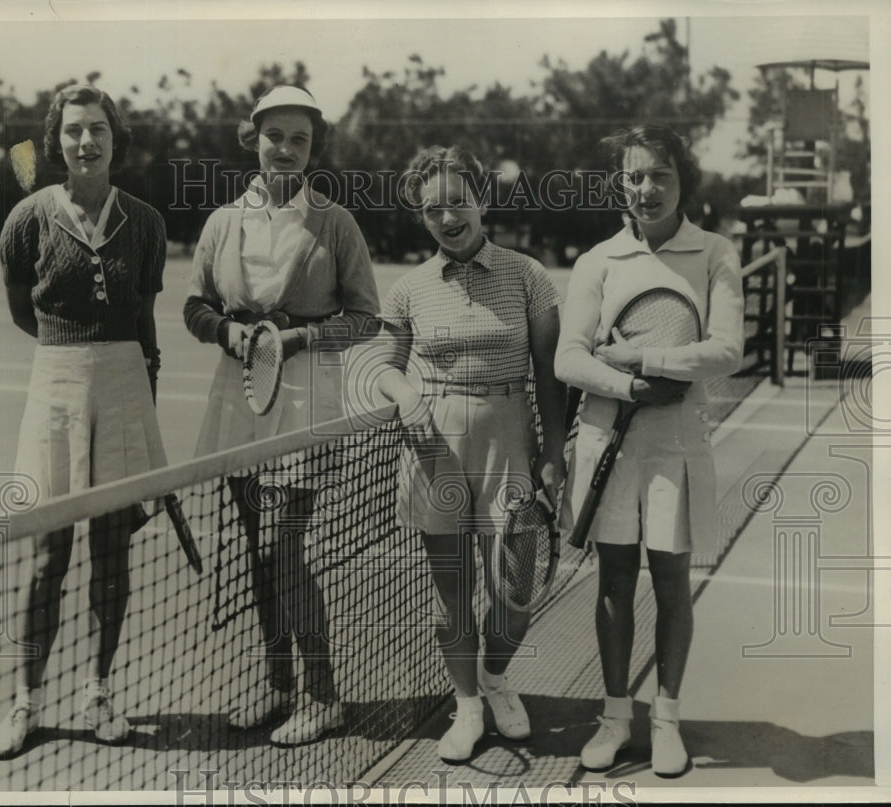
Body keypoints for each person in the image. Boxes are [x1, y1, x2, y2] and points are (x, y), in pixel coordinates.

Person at [183, 85, 381, 746]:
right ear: (254, 138)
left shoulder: (335, 222)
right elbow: (195, 305)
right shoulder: (223, 221)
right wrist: (227, 334)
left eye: (300, 139)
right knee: (257, 553)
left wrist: (301, 338)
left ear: (313, 147)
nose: (287, 151)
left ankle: (323, 695)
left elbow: (365, 316)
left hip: (304, 395)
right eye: (276, 137)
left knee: (281, 547)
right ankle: (278, 687)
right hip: (237, 392)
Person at [554, 125, 744, 776]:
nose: (648, 188)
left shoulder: (716, 252)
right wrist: (631, 384)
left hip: (678, 441)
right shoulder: (597, 261)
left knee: (670, 581)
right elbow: (568, 357)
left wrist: (644, 354)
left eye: (661, 174)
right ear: (621, 185)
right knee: (611, 580)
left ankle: (665, 719)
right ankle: (614, 717)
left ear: (682, 179)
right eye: (635, 176)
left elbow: (726, 350)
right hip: (612, 435)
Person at [0, 85, 168, 758]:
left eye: (97, 129)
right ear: (55, 140)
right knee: (47, 556)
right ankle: (26, 701)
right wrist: (68, 351)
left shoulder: (146, 222)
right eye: (72, 132)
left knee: (112, 553)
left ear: (115, 138)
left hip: (126, 384)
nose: (85, 142)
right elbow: (21, 308)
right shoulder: (27, 218)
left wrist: (142, 377)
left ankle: (98, 690)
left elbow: (145, 313)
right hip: (55, 380)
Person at [374, 145, 566, 762]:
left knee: (513, 595)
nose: (448, 217)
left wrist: (554, 449)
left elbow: (549, 370)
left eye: (459, 202)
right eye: (433, 209)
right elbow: (382, 367)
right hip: (434, 446)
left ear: (482, 199)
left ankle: (496, 678)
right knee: (451, 592)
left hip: (510, 436)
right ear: (421, 217)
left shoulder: (528, 275)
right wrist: (405, 394)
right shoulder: (408, 289)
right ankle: (467, 707)